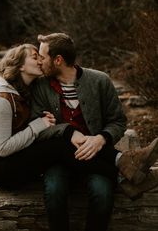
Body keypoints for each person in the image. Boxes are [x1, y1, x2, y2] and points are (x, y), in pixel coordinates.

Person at [30, 32, 158, 231]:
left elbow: (117, 121)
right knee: (54, 191)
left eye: (42, 56)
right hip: (59, 160)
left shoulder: (100, 81)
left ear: (58, 60)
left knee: (103, 193)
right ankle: (126, 164)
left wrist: (101, 138)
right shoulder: (39, 86)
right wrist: (67, 131)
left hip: (97, 155)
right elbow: (36, 129)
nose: (38, 61)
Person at [0, 43, 120, 190]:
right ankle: (118, 173)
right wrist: (38, 125)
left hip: (18, 156)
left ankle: (120, 161)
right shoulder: (1, 99)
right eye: (35, 58)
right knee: (60, 145)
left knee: (61, 141)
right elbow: (3, 149)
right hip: (3, 169)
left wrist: (45, 122)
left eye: (41, 58)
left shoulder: (24, 91)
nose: (40, 62)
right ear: (20, 65)